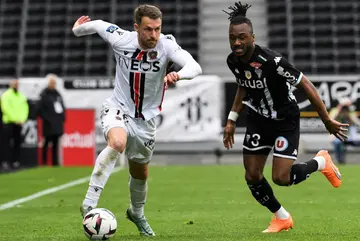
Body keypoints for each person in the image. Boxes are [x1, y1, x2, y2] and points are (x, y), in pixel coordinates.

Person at [72, 4, 202, 236]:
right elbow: (98, 25)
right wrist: (77, 31)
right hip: (118, 107)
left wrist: (178, 74)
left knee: (139, 172)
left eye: (157, 29)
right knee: (117, 143)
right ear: (136, 28)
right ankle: (89, 204)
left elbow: (195, 66)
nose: (154, 35)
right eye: (148, 29)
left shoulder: (166, 45)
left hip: (146, 120)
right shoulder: (121, 39)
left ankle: (137, 213)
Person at [222, 2, 349, 233]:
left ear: (253, 37)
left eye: (242, 37)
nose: (237, 42)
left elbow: (307, 85)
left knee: (281, 177)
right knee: (252, 175)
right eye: (232, 38)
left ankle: (321, 162)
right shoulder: (233, 61)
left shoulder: (273, 61)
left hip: (285, 120)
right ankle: (282, 218)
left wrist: (326, 120)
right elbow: (243, 85)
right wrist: (231, 119)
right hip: (259, 119)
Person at [37, 74, 66, 166]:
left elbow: (62, 107)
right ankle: (44, 162)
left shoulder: (57, 94)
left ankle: (55, 162)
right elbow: (40, 109)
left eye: (54, 83)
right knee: (46, 142)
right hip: (48, 123)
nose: (53, 85)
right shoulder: (44, 94)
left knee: (55, 143)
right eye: (51, 83)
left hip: (57, 123)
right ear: (48, 83)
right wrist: (47, 118)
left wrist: (62, 117)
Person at [0, 80, 29, 170]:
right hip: (8, 122)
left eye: (17, 84)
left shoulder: (21, 96)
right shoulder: (6, 95)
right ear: (11, 85)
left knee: (17, 143)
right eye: (14, 84)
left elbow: (25, 108)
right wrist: (15, 119)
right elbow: (5, 108)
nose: (16, 85)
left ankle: (15, 162)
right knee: (6, 143)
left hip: (19, 123)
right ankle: (5, 162)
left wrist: (22, 119)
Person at [329, 97, 360, 164]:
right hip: (338, 135)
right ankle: (340, 161)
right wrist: (339, 109)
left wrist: (349, 115)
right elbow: (330, 120)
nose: (345, 109)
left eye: (346, 107)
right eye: (344, 106)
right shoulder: (335, 110)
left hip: (350, 135)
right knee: (337, 143)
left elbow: (357, 123)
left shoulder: (350, 111)